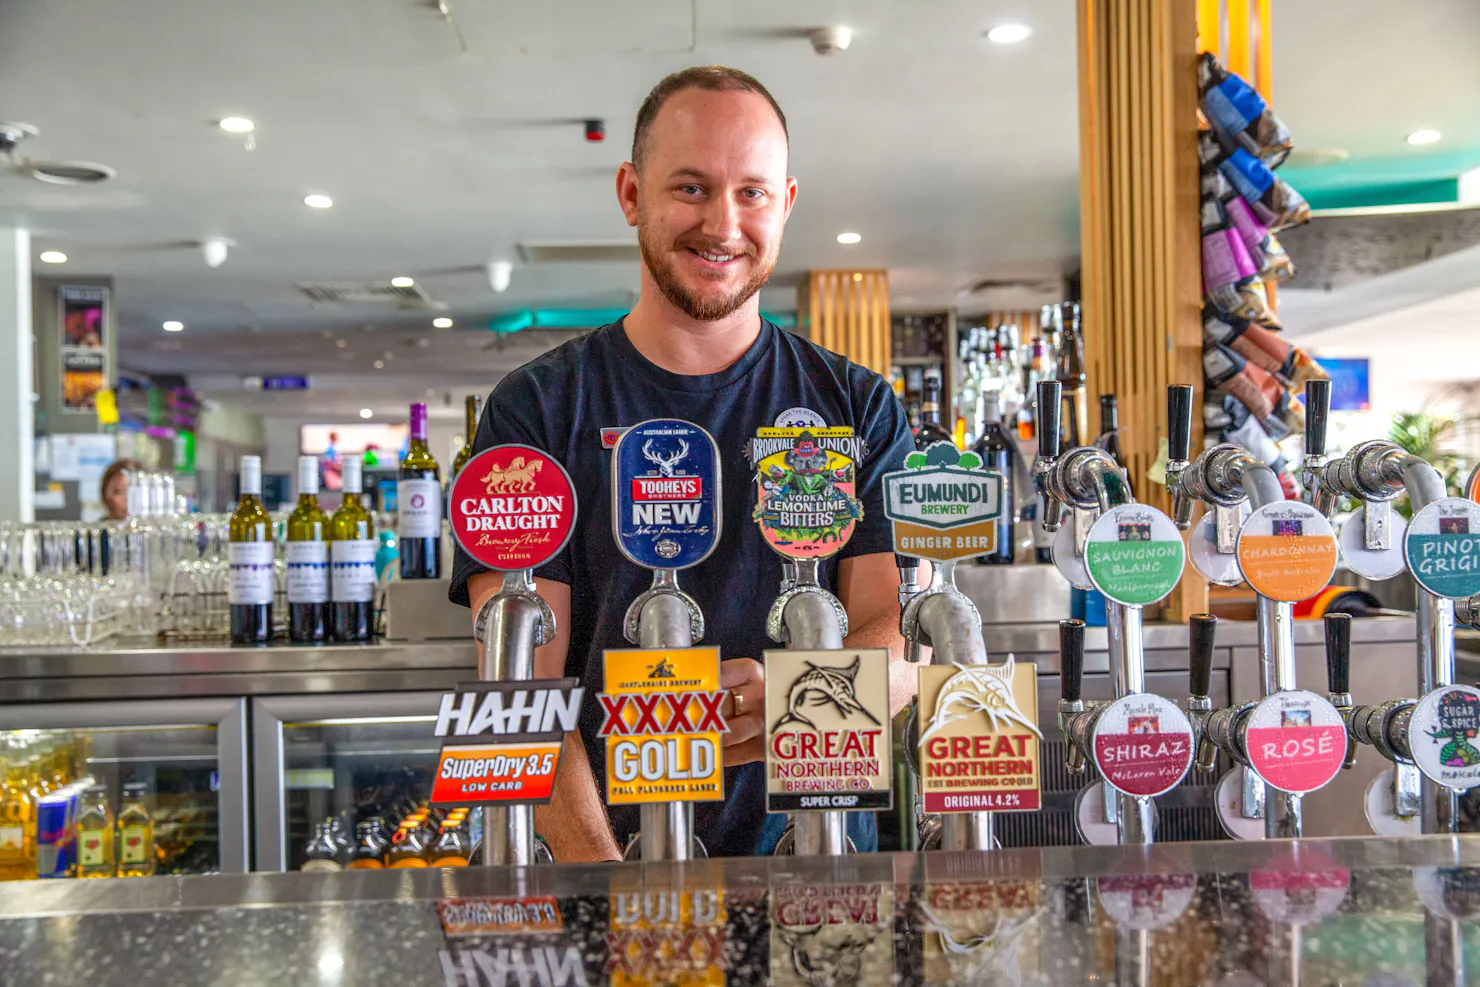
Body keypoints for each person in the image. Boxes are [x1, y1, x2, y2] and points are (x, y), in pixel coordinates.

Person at [449, 66, 917, 860]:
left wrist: (800, 697)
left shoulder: (858, 405)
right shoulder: (536, 410)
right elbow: (520, 686)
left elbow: (905, 642)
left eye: (752, 193)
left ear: (788, 202)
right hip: (606, 861)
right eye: (692, 188)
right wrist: (611, 892)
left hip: (823, 866)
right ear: (632, 194)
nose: (723, 224)